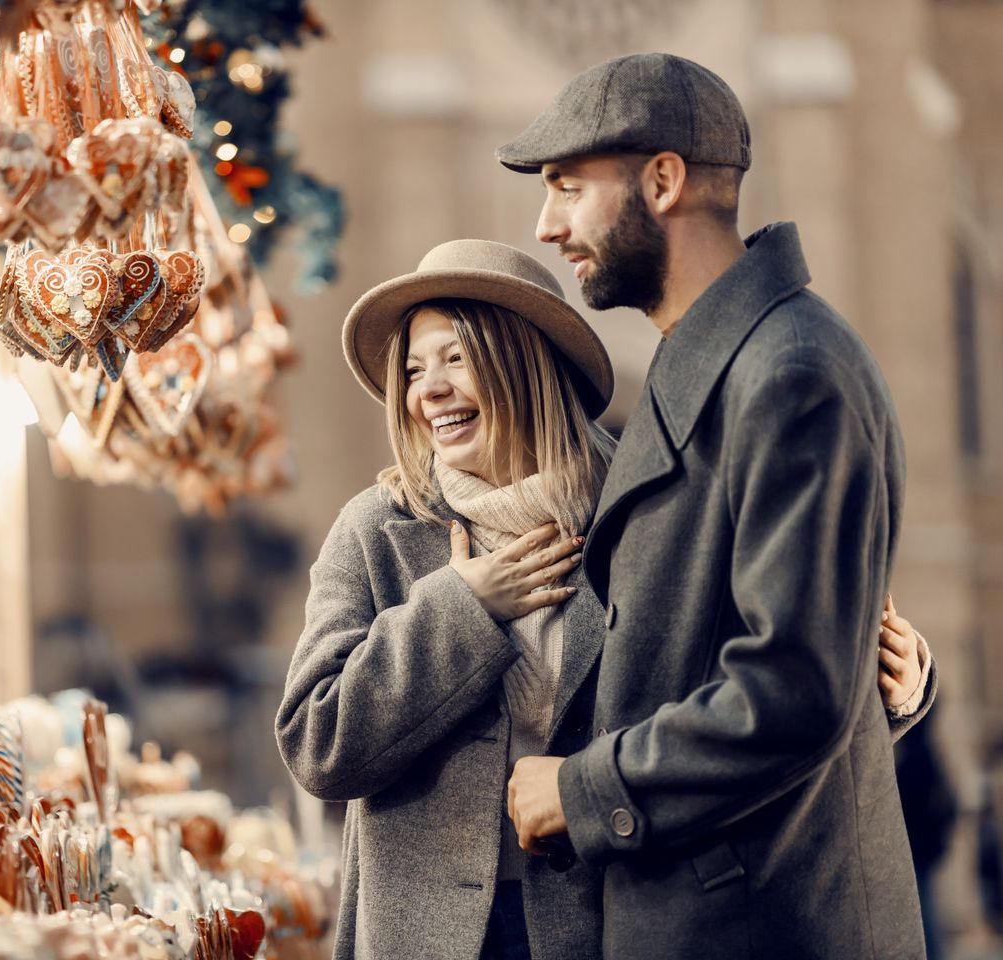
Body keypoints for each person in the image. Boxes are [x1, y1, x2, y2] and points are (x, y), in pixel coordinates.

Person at [276, 236, 935, 959]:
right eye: (412, 369)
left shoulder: (649, 510)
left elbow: (737, 706)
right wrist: (462, 609)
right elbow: (317, 743)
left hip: (614, 926)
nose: (426, 389)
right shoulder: (377, 530)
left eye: (456, 358)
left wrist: (888, 695)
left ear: (526, 361)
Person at [498, 53, 929, 959]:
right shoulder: (720, 361)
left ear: (663, 181)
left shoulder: (791, 374)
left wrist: (580, 790)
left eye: (570, 188)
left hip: (762, 926)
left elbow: (790, 692)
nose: (547, 226)